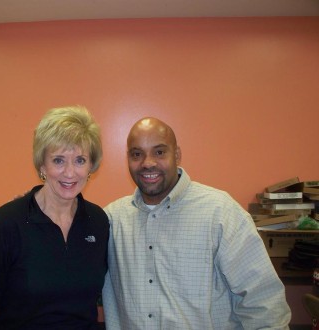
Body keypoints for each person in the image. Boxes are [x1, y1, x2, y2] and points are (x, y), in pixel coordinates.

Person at [102, 117, 291, 329]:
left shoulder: (220, 212)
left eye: (159, 152)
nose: (148, 163)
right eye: (137, 154)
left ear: (177, 155)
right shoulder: (111, 220)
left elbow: (263, 302)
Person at [0, 106, 109, 329]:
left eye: (80, 160)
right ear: (42, 164)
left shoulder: (99, 222)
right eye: (59, 160)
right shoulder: (6, 224)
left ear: (91, 165)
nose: (70, 172)